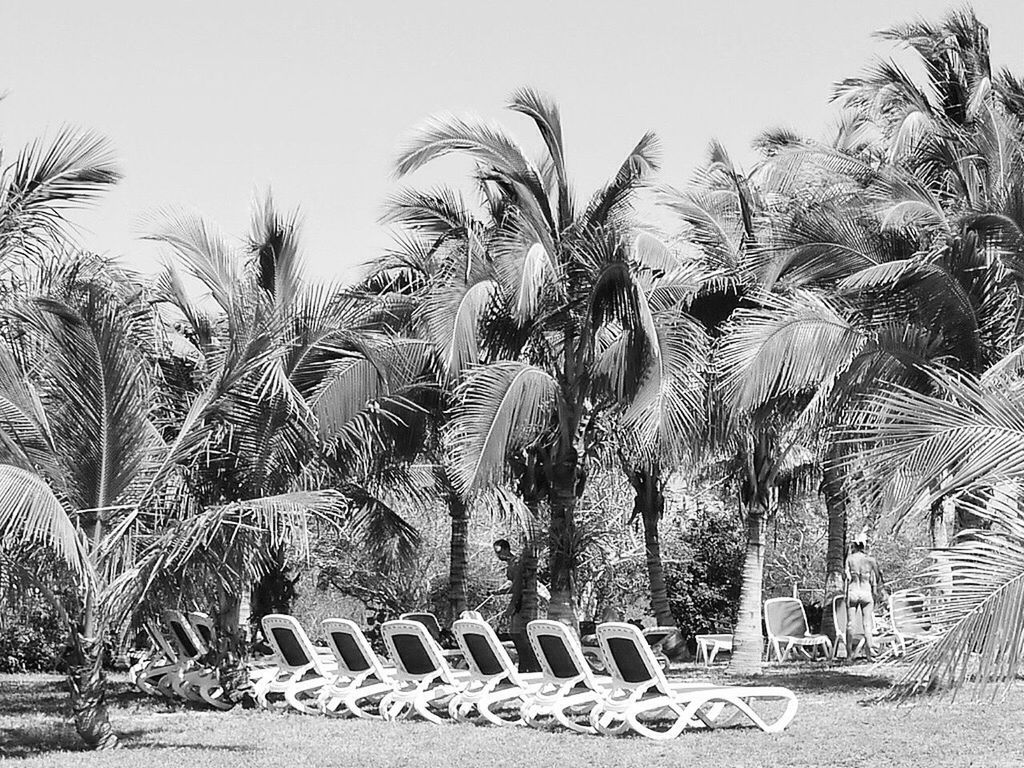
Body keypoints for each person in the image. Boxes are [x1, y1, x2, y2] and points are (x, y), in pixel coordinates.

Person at [492, 538, 540, 673]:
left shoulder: (516, 563)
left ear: (507, 549)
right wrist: (499, 592)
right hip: (518, 601)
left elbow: (518, 586)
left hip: (523, 604)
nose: (498, 556)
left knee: (519, 634)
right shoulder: (510, 564)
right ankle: (524, 665)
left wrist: (511, 606)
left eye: (499, 552)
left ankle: (530, 666)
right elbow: (513, 586)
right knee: (515, 635)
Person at [845, 532, 885, 660]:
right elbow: (879, 576)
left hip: (853, 591)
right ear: (864, 546)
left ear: (854, 545)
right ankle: (868, 654)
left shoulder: (850, 559)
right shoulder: (870, 560)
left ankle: (849, 655)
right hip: (866, 592)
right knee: (867, 624)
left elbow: (846, 576)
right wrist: (876, 589)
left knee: (850, 624)